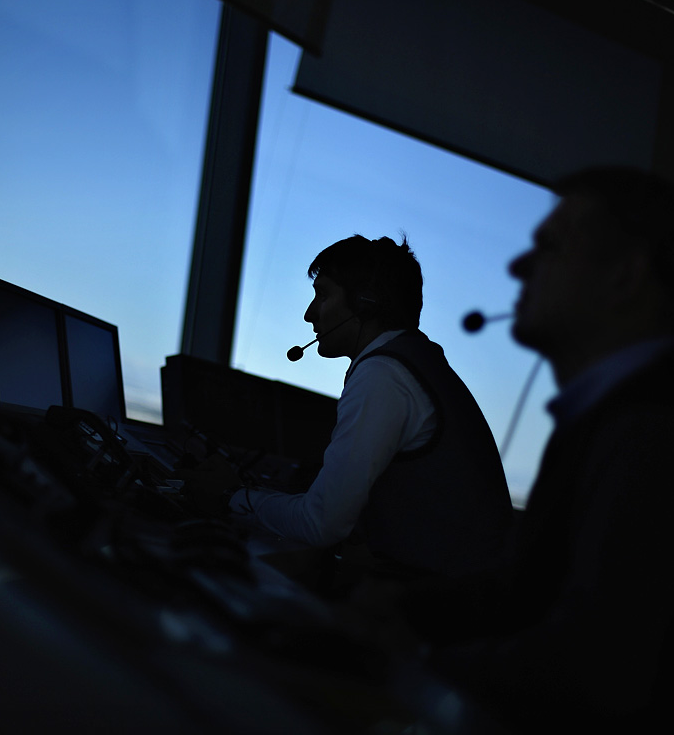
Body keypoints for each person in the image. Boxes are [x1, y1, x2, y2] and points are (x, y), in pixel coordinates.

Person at [409, 167, 674, 731]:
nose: (519, 266)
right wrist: (391, 608)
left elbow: (592, 670)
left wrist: (409, 658)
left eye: (549, 247)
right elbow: (524, 590)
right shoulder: (618, 416)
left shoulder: (655, 433)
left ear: (624, 277)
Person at [186, 235, 513, 581]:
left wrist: (228, 496)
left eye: (323, 294)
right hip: (460, 594)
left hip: (443, 610)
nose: (310, 313)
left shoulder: (383, 375)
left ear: (365, 303)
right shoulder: (415, 361)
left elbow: (320, 523)